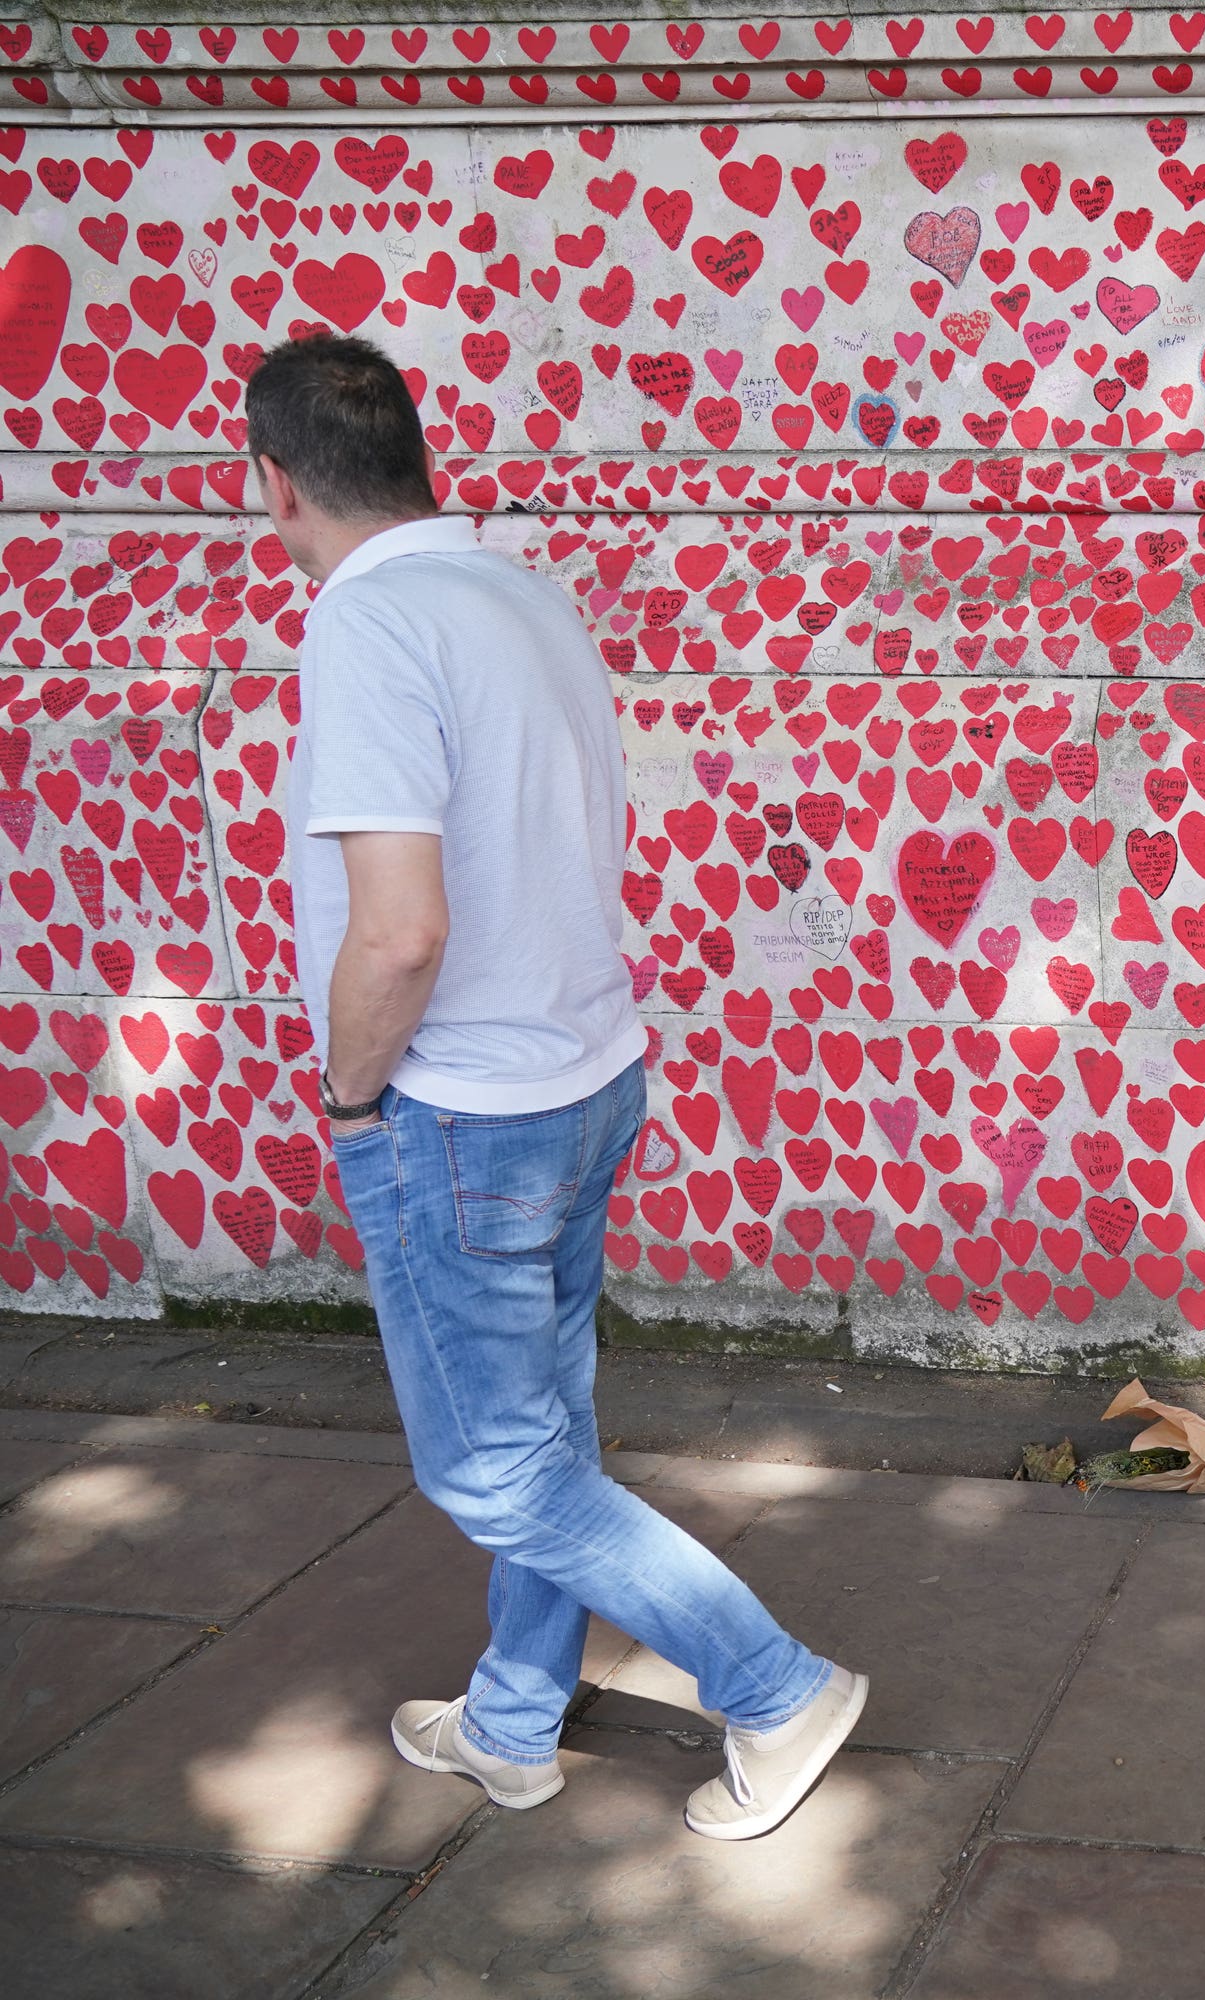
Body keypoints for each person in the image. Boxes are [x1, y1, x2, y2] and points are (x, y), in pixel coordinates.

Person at [251, 333, 865, 1840]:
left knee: (498, 1469)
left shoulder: (366, 625)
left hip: (457, 1111)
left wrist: (347, 1099)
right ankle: (513, 1720)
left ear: (269, 486)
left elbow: (400, 929)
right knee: (547, 1434)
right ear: (413, 459)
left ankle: (773, 1686)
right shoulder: (523, 594)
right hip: (586, 1075)